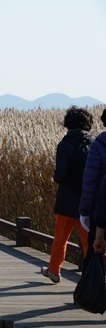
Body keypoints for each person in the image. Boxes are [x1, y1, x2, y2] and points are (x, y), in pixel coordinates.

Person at [41, 107, 94, 283]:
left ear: (67, 124)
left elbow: (61, 174)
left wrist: (58, 178)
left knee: (60, 238)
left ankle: (54, 271)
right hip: (88, 200)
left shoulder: (65, 144)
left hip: (67, 199)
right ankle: (92, 276)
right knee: (89, 242)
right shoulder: (94, 143)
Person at [79, 108, 106, 271]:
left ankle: (93, 295)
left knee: (94, 257)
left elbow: (90, 182)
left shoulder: (99, 145)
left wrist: (85, 212)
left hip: (100, 214)